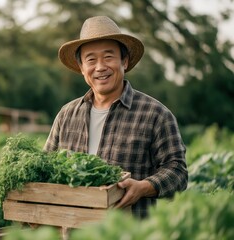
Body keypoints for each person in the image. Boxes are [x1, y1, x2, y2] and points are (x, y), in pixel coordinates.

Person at [44, 16, 188, 218]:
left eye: (108, 57)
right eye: (91, 59)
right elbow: (45, 166)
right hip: (73, 230)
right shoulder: (66, 115)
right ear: (82, 68)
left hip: (129, 231)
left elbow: (178, 172)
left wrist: (144, 187)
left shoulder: (156, 114)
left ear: (125, 61)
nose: (100, 67)